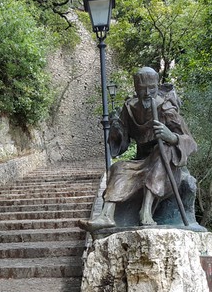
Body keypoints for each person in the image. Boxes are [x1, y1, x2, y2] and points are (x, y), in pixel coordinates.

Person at [80, 67, 197, 231]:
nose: (148, 93)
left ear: (157, 86)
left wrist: (172, 137)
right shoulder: (129, 109)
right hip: (141, 162)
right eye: (142, 89)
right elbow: (121, 145)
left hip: (166, 164)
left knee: (161, 151)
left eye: (152, 88)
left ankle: (146, 210)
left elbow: (191, 143)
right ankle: (106, 215)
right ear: (136, 89)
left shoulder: (166, 108)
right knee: (118, 167)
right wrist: (116, 131)